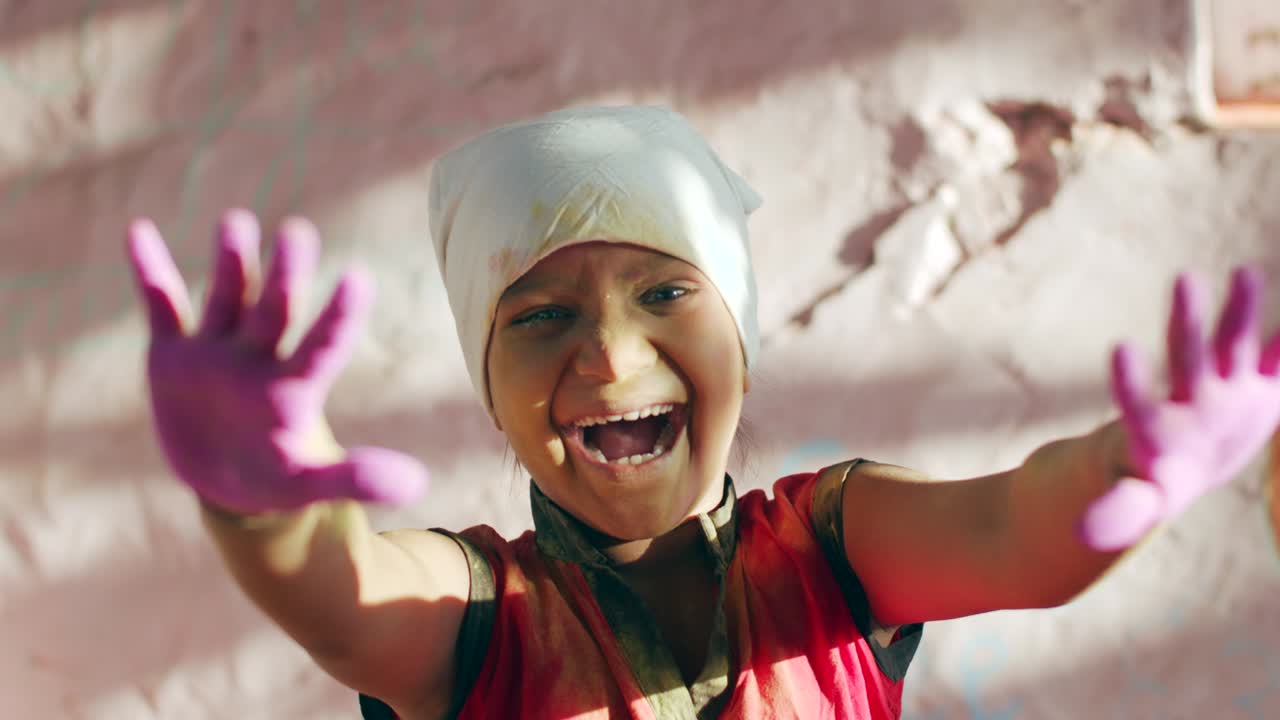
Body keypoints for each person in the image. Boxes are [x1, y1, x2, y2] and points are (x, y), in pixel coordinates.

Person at [125, 106, 1280, 720]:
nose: (609, 353)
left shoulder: (833, 545)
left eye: (666, 294)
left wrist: (1120, 471)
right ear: (490, 392)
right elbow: (341, 599)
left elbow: (1010, 530)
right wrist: (259, 505)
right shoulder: (475, 616)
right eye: (540, 316)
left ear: (743, 340)